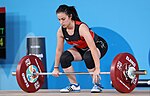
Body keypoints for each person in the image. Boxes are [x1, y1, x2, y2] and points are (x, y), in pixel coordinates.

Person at [52, 4, 108, 93]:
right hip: (81, 48)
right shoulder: (61, 31)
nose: (61, 22)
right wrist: (56, 68)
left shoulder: (81, 28)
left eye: (63, 19)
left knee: (88, 56)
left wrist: (97, 68)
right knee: (64, 57)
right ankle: (74, 85)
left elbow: (93, 48)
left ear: (70, 16)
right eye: (59, 20)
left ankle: (97, 85)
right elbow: (59, 50)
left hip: (99, 45)